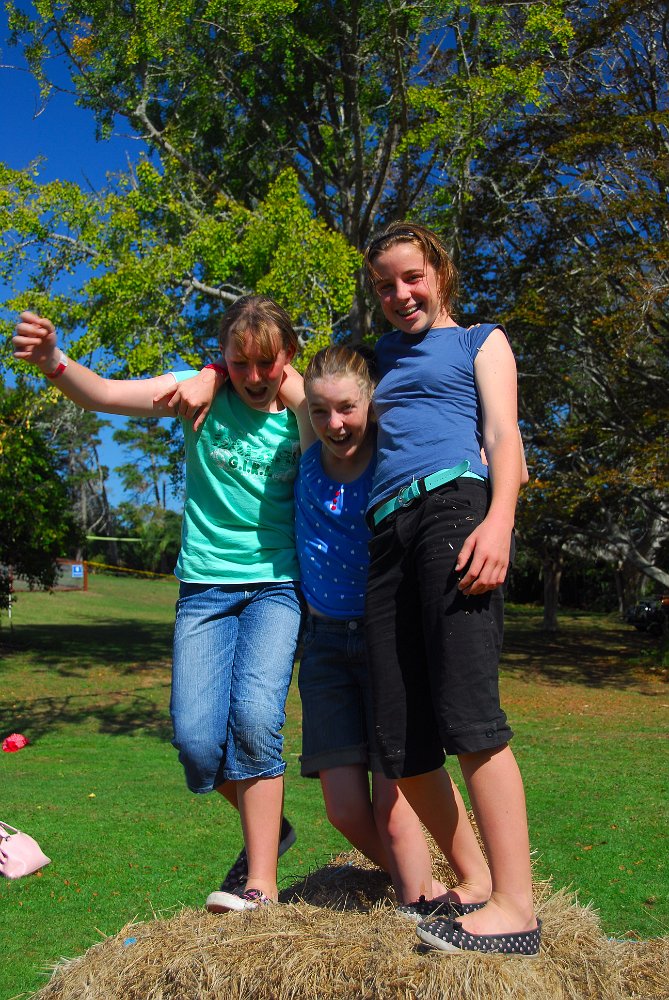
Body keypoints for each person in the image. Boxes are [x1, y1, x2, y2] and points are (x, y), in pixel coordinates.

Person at [13, 297, 303, 913]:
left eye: (267, 363)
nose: (254, 376)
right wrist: (54, 360)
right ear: (222, 356)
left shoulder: (304, 410)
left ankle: (261, 883)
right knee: (196, 743)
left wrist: (248, 378)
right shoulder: (194, 391)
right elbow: (104, 395)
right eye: (239, 363)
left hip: (277, 586)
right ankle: (272, 830)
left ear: (289, 356)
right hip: (204, 590)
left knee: (256, 722)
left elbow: (356, 423)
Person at [362, 221, 541, 956]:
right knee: (401, 739)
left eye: (412, 277)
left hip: (454, 511)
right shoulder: (372, 359)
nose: (400, 294)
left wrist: (498, 521)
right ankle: (474, 883)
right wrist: (217, 370)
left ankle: (517, 908)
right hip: (385, 534)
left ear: (440, 272)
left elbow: (503, 438)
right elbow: (298, 385)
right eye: (384, 285)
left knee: (469, 716)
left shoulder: (478, 341)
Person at [291, 345, 491, 909]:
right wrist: (209, 377)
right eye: (320, 411)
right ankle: (426, 887)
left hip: (386, 635)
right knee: (343, 808)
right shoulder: (307, 452)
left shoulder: (391, 458)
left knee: (394, 804)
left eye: (347, 408)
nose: (334, 423)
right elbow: (270, 368)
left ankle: (450, 890)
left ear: (372, 403)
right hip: (325, 645)